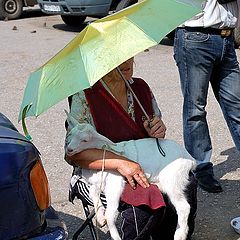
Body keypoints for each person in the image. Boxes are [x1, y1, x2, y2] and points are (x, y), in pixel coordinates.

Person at [65, 57, 197, 239]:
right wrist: (121, 164)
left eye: (129, 56)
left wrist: (157, 129)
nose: (126, 63)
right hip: (103, 170)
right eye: (116, 58)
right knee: (144, 201)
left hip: (142, 159)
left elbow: (155, 131)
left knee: (187, 182)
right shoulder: (86, 95)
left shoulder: (140, 88)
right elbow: (74, 154)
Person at [173, 0, 240, 193]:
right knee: (195, 109)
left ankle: (200, 167)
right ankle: (200, 168)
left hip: (226, 39)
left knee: (236, 105)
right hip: (196, 36)